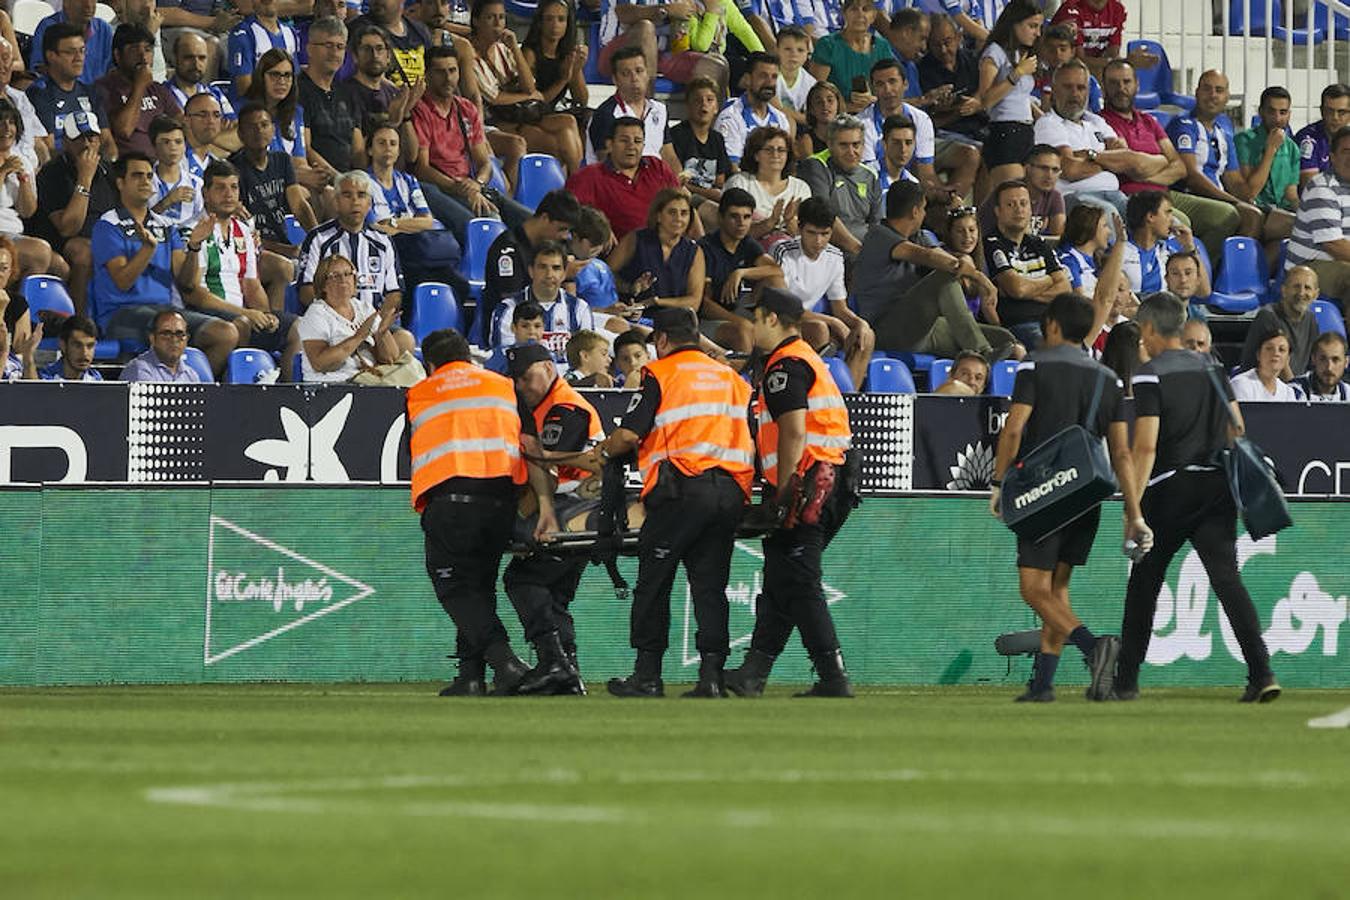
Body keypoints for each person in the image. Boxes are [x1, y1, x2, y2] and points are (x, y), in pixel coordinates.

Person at [1114, 291, 1280, 702]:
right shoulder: (1212, 367)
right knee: (1227, 581)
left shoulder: (1151, 373)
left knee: (1145, 584)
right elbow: (1236, 428)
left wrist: (1132, 507)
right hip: (1216, 486)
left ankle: (1126, 681)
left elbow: (1146, 447)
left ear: (1149, 329)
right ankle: (1262, 673)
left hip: (1170, 489)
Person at [990, 291, 1150, 703]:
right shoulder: (1108, 379)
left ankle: (1093, 647)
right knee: (1057, 591)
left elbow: (1013, 429)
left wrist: (998, 483)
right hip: (1086, 495)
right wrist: (1134, 513)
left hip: (1043, 494)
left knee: (1033, 589)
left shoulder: (1035, 365)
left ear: (1053, 326)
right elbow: (1122, 453)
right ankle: (1043, 684)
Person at [587, 307, 754, 698]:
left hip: (682, 490)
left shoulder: (661, 374)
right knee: (711, 588)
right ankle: (711, 676)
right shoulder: (730, 378)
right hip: (729, 491)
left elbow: (628, 436)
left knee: (655, 582)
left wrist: (604, 450)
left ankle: (647, 676)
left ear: (661, 340)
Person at [408, 327, 558, 696]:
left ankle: (504, 661)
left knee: (455, 588)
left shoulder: (420, 392)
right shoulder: (502, 386)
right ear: (468, 356)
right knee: (479, 586)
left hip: (451, 499)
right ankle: (470, 676)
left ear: (430, 364)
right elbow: (531, 447)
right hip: (500, 502)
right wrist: (544, 506)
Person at [724, 287, 857, 698]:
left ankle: (833, 676)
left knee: (799, 577)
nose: (750, 326)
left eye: (755, 318)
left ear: (772, 319)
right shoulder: (799, 360)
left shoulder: (788, 364)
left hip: (810, 479)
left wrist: (783, 492)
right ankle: (753, 672)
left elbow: (794, 430)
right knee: (783, 578)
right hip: (824, 475)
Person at [501, 342, 600, 695]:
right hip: (581, 512)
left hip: (573, 511)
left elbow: (548, 466)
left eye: (526, 377)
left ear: (548, 366)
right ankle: (567, 673)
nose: (521, 386)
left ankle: (554, 663)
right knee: (553, 595)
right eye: (515, 379)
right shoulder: (545, 406)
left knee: (523, 580)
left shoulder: (565, 407)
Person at [93, 151, 239, 375]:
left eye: (149, 176)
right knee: (170, 329)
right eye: (137, 176)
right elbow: (122, 281)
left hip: (164, 311)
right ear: (120, 183)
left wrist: (193, 247)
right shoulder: (108, 224)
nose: (145, 181)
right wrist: (147, 249)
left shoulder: (165, 225)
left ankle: (192, 387)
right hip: (121, 313)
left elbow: (186, 282)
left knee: (225, 333)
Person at [859, 180, 1020, 359]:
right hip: (886, 331)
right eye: (924, 209)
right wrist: (981, 278)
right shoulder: (878, 235)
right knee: (943, 278)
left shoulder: (918, 235)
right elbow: (928, 257)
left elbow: (948, 260)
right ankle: (980, 353)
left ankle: (986, 366)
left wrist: (966, 266)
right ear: (915, 211)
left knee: (1006, 341)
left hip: (923, 328)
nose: (924, 214)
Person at [1097, 59, 1233, 262]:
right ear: (1103, 86)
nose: (1121, 89)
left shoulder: (1149, 121)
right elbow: (1133, 167)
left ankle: (1201, 275)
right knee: (1182, 221)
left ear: (1137, 85)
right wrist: (1160, 162)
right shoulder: (1102, 122)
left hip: (1165, 194)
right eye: (1114, 83)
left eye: (1126, 82)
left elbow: (1179, 167)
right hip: (1135, 198)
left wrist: (1145, 169)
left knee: (1226, 215)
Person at [186, 159, 302, 377]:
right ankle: (217, 392)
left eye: (234, 187)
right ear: (205, 193)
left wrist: (266, 314)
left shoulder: (244, 231)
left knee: (297, 327)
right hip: (208, 315)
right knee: (241, 325)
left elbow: (252, 284)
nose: (229, 194)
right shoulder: (194, 230)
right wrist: (247, 313)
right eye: (220, 188)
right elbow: (197, 294)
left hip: (242, 314)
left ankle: (285, 392)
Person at [411, 47, 532, 242]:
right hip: (438, 187)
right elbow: (421, 169)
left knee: (532, 222)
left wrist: (477, 184)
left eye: (452, 70)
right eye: (440, 72)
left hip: (471, 186)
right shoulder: (419, 110)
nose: (448, 78)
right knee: (485, 224)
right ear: (427, 75)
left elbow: (484, 163)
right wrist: (459, 187)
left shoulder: (466, 109)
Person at [296, 171, 414, 355]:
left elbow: (394, 294)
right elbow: (306, 290)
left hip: (375, 327)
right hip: (331, 324)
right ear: (335, 202)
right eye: (347, 195)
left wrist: (375, 324)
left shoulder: (383, 241)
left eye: (361, 195)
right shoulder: (318, 239)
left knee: (405, 340)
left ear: (369, 203)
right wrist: (340, 318)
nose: (355, 201)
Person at [469, 0, 583, 174]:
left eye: (501, 17)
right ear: (476, 21)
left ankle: (576, 183)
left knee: (569, 122)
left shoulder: (503, 49)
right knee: (555, 145)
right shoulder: (470, 55)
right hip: (498, 118)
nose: (498, 23)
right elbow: (495, 98)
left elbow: (530, 87)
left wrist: (514, 48)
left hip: (519, 113)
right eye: (491, 17)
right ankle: (574, 186)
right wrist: (529, 96)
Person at [774, 195, 874, 388]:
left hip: (809, 323)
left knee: (866, 335)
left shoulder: (835, 257)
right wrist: (833, 322)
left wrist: (859, 323)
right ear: (800, 228)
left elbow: (840, 308)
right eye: (812, 233)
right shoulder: (783, 252)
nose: (818, 241)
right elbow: (782, 308)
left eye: (825, 234)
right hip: (781, 323)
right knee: (820, 328)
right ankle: (814, 390)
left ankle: (846, 398)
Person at [229, 103, 318, 312]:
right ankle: (276, 328)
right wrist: (289, 250)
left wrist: (317, 239)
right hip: (251, 251)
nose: (259, 130)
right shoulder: (233, 169)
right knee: (284, 268)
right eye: (251, 126)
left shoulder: (282, 161)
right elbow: (245, 235)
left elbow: (298, 204)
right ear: (240, 134)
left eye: (264, 124)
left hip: (281, 244)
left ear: (273, 129)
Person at [30, 112, 118, 317]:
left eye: (91, 137)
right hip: (62, 243)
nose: (87, 144)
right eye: (79, 138)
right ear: (66, 142)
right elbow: (68, 228)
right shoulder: (52, 173)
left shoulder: (109, 172)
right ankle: (78, 323)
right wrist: (84, 178)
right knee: (83, 252)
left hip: (104, 238)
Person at [1166, 70, 1264, 240]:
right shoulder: (1183, 125)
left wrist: (1248, 199)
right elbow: (1191, 177)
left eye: (1219, 90)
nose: (1212, 95)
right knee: (1250, 217)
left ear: (1227, 97)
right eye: (1207, 89)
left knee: (1284, 223)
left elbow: (1235, 181)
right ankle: (1210, 265)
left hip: (1218, 197)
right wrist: (1234, 201)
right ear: (1196, 93)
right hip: (1189, 195)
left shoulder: (1224, 132)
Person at [1033, 59, 1135, 217]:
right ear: (1053, 90)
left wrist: (1087, 156)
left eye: (1080, 88)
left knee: (1150, 215)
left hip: (1113, 194)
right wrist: (1110, 163)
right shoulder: (1048, 124)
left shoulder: (1097, 122)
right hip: (1073, 197)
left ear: (1088, 91)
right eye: (1068, 87)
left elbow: (1126, 160)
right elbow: (1069, 169)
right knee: (1109, 214)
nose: (1074, 94)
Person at [984, 179, 1071, 348]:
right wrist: (1048, 280)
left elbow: (1064, 288)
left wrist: (1024, 292)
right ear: (998, 211)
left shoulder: (1039, 243)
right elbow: (1017, 288)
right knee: (1050, 346)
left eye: (1023, 203)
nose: (1019, 209)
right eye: (1010, 204)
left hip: (1050, 322)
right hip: (1017, 325)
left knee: (1081, 347)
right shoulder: (990, 244)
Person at [698, 187, 783, 353]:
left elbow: (776, 271)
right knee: (743, 330)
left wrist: (741, 273)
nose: (741, 223)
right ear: (721, 218)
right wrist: (738, 321)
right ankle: (746, 376)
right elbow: (704, 304)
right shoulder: (705, 248)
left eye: (747, 217)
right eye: (734, 216)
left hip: (737, 309)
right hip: (707, 320)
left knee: (775, 283)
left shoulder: (746, 243)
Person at [567, 116, 680, 241]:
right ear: (609, 145)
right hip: (618, 251)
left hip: (666, 244)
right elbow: (571, 214)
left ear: (643, 145)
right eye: (624, 140)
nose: (631, 146)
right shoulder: (589, 176)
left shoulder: (658, 167)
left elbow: (681, 203)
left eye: (637, 141)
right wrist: (599, 227)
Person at [297, 252, 400, 381]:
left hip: (368, 380)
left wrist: (382, 334)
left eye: (348, 274)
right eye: (335, 276)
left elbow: (391, 358)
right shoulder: (316, 315)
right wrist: (359, 337)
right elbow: (319, 364)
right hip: (333, 385)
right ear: (323, 284)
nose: (343, 280)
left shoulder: (365, 308)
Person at [242, 49, 329, 196]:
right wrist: (299, 176)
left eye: (287, 75)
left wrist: (316, 175)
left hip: (288, 182)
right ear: (261, 77)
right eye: (275, 74)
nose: (281, 81)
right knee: (302, 193)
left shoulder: (296, 112)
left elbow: (299, 161)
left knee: (330, 194)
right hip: (256, 185)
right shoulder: (245, 110)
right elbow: (254, 166)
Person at [595, 0, 730, 94]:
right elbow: (624, 13)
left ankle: (708, 132)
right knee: (645, 29)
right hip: (618, 54)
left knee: (717, 67)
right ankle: (649, 108)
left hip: (662, 54)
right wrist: (665, 10)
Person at [608, 188, 705, 318]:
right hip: (632, 318)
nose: (679, 219)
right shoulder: (636, 239)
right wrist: (630, 288)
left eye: (684, 213)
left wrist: (654, 302)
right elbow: (606, 275)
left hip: (674, 323)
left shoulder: (694, 252)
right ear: (658, 216)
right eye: (672, 212)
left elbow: (694, 302)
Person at [483, 188, 580, 316]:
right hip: (513, 326)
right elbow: (514, 306)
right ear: (545, 218)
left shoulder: (557, 244)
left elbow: (569, 300)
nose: (565, 236)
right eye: (562, 229)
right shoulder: (507, 248)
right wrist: (560, 276)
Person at [26, 23, 117, 160]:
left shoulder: (90, 91)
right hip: (62, 172)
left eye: (82, 51)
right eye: (70, 52)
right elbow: (48, 149)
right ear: (51, 56)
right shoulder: (39, 94)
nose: (79, 58)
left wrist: (110, 163)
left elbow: (107, 141)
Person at [975, 0, 1042, 186]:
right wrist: (1017, 73)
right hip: (1005, 131)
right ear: (1014, 24)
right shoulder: (994, 52)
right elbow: (985, 100)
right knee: (1011, 193)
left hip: (1026, 131)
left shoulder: (1022, 55)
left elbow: (1020, 97)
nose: (1038, 33)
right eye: (1032, 26)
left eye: (1039, 27)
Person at [797, 114, 881, 256]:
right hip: (831, 248)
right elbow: (822, 218)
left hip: (865, 247)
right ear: (829, 144)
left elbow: (877, 224)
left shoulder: (870, 175)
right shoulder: (816, 166)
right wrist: (859, 251)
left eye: (856, 145)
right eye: (843, 145)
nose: (851, 152)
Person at [489, 240, 594, 353]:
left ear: (564, 274)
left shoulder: (580, 308)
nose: (549, 275)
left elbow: (588, 357)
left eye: (556, 268)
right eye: (542, 267)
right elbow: (504, 358)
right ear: (531, 271)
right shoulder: (508, 309)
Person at [1286, 125, 1350, 309]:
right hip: (1309, 266)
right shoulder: (1322, 187)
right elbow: (1334, 245)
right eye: (1346, 151)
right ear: (1333, 157)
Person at [95, 24, 182, 158]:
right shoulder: (103, 88)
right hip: (129, 168)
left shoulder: (158, 89)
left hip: (163, 165)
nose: (143, 57)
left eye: (147, 49)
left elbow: (183, 125)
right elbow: (124, 130)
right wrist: (140, 86)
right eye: (134, 49)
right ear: (118, 55)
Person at [1233, 86, 1300, 252]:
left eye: (1283, 112)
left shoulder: (1292, 148)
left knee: (1282, 245)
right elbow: (1250, 192)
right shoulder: (1243, 140)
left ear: (1289, 114)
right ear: (1261, 112)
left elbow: (1291, 193)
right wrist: (1270, 149)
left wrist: (1308, 212)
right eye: (1272, 112)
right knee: (1302, 228)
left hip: (1281, 212)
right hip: (1257, 209)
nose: (1277, 118)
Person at [663, 76, 732, 232]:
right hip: (685, 196)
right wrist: (708, 192)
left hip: (712, 195)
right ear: (688, 105)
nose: (704, 105)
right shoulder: (677, 135)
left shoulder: (717, 139)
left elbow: (720, 179)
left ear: (716, 107)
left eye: (709, 100)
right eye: (697, 100)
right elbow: (677, 180)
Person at [724, 126, 813, 244]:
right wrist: (770, 222)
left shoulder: (801, 188)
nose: (775, 154)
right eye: (769, 150)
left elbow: (807, 237)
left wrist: (789, 222)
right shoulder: (740, 183)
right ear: (756, 155)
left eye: (781, 150)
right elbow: (731, 232)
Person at [299, 18, 362, 181]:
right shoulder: (298, 90)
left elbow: (358, 151)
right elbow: (306, 149)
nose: (334, 52)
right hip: (319, 181)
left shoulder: (347, 92)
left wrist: (363, 181)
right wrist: (339, 180)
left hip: (350, 182)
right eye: (328, 45)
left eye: (340, 47)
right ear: (309, 49)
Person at [807, 0, 896, 114]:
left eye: (865, 9)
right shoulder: (827, 45)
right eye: (854, 9)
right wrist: (847, 107)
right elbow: (815, 94)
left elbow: (890, 88)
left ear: (873, 16)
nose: (860, 14)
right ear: (844, 14)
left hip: (875, 115)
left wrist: (873, 101)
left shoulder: (882, 46)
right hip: (836, 117)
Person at [588, 46, 670, 166]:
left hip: (656, 179)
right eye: (626, 74)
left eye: (639, 71)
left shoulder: (659, 109)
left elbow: (668, 154)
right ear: (615, 80)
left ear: (647, 74)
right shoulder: (606, 114)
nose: (634, 78)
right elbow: (608, 165)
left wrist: (679, 182)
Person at [918, 13, 989, 150]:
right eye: (936, 45)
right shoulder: (923, 70)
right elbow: (928, 117)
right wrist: (950, 109)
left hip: (979, 127)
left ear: (958, 38)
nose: (943, 50)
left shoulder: (974, 61)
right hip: (947, 132)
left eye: (947, 42)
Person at [1120, 190, 1209, 299]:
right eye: (1167, 212)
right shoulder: (1119, 252)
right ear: (1151, 216)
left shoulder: (1168, 252)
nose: (1172, 220)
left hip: (1166, 312)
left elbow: (1203, 292)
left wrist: (1189, 247)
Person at [1239, 265, 1321, 380]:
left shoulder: (1311, 319)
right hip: (1263, 386)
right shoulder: (1268, 316)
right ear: (1284, 290)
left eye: (1307, 287)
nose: (1301, 293)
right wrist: (1297, 392)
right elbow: (1279, 366)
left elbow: (1314, 362)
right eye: (1296, 286)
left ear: (1315, 295)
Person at [714, 52, 794, 165]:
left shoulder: (780, 119)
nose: (769, 83)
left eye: (774, 77)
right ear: (747, 79)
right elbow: (733, 167)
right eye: (763, 76)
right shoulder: (731, 116)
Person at [976, 143, 1065, 240]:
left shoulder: (1054, 196)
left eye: (1055, 170)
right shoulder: (1009, 191)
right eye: (1044, 168)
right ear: (1027, 168)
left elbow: (1058, 235)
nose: (1049, 175)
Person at [164, 32, 237, 144]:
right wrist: (220, 137)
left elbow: (237, 132)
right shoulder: (162, 94)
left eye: (202, 58)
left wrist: (200, 143)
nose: (196, 64)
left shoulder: (215, 93)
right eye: (189, 57)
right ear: (174, 58)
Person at [521, 0, 589, 119]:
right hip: (530, 114)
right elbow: (534, 102)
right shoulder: (530, 53)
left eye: (561, 19)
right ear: (540, 22)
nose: (555, 25)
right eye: (549, 19)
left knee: (589, 117)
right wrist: (562, 80)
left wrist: (576, 70)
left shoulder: (567, 53)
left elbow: (582, 101)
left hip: (554, 111)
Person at [30, 0, 115, 85]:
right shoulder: (47, 27)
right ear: (66, 2)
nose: (88, 5)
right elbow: (39, 71)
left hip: (98, 95)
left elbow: (113, 70)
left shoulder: (104, 30)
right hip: (58, 94)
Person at [227, 0, 299, 96]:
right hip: (250, 106)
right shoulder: (243, 34)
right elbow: (244, 88)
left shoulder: (290, 33)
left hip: (283, 105)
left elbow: (295, 78)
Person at [149, 116, 204, 232]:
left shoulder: (197, 184)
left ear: (184, 146)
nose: (173, 147)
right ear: (154, 147)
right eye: (166, 142)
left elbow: (203, 219)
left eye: (178, 142)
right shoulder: (145, 182)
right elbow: (139, 221)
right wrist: (166, 202)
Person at [119, 308, 205, 381]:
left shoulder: (191, 375)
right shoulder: (139, 370)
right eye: (166, 334)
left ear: (187, 339)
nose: (174, 340)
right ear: (152, 338)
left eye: (180, 334)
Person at [1295, 83, 1350, 188]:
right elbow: (1311, 185)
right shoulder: (1308, 138)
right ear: (1321, 111)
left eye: (1341, 112)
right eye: (1329, 111)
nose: (1335, 117)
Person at [1231, 325, 1302, 402]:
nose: (1276, 353)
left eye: (1281, 350)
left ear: (1288, 359)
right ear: (1258, 354)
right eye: (1269, 348)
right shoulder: (1241, 384)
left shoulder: (1288, 392)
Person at [482, 300, 544, 373]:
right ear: (513, 328)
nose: (532, 332)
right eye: (525, 326)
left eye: (537, 326)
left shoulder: (550, 358)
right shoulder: (500, 356)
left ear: (543, 328)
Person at [775, 26, 816, 132]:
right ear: (777, 50)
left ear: (807, 53)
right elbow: (776, 109)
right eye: (788, 49)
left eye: (800, 50)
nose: (794, 54)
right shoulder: (769, 75)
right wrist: (808, 120)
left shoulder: (810, 83)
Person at [37, 314, 103, 381]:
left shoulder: (96, 378)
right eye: (77, 346)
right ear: (63, 345)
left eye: (90, 346)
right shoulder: (45, 377)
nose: (84, 353)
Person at [183, 92, 233, 177]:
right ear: (187, 121)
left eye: (216, 115)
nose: (211, 121)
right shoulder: (176, 160)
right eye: (203, 115)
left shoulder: (220, 166)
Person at [1293, 332, 1350, 402]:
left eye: (1335, 360)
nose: (1329, 367)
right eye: (1323, 359)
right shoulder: (1293, 392)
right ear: (1313, 359)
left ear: (1346, 362)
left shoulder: (1348, 394)